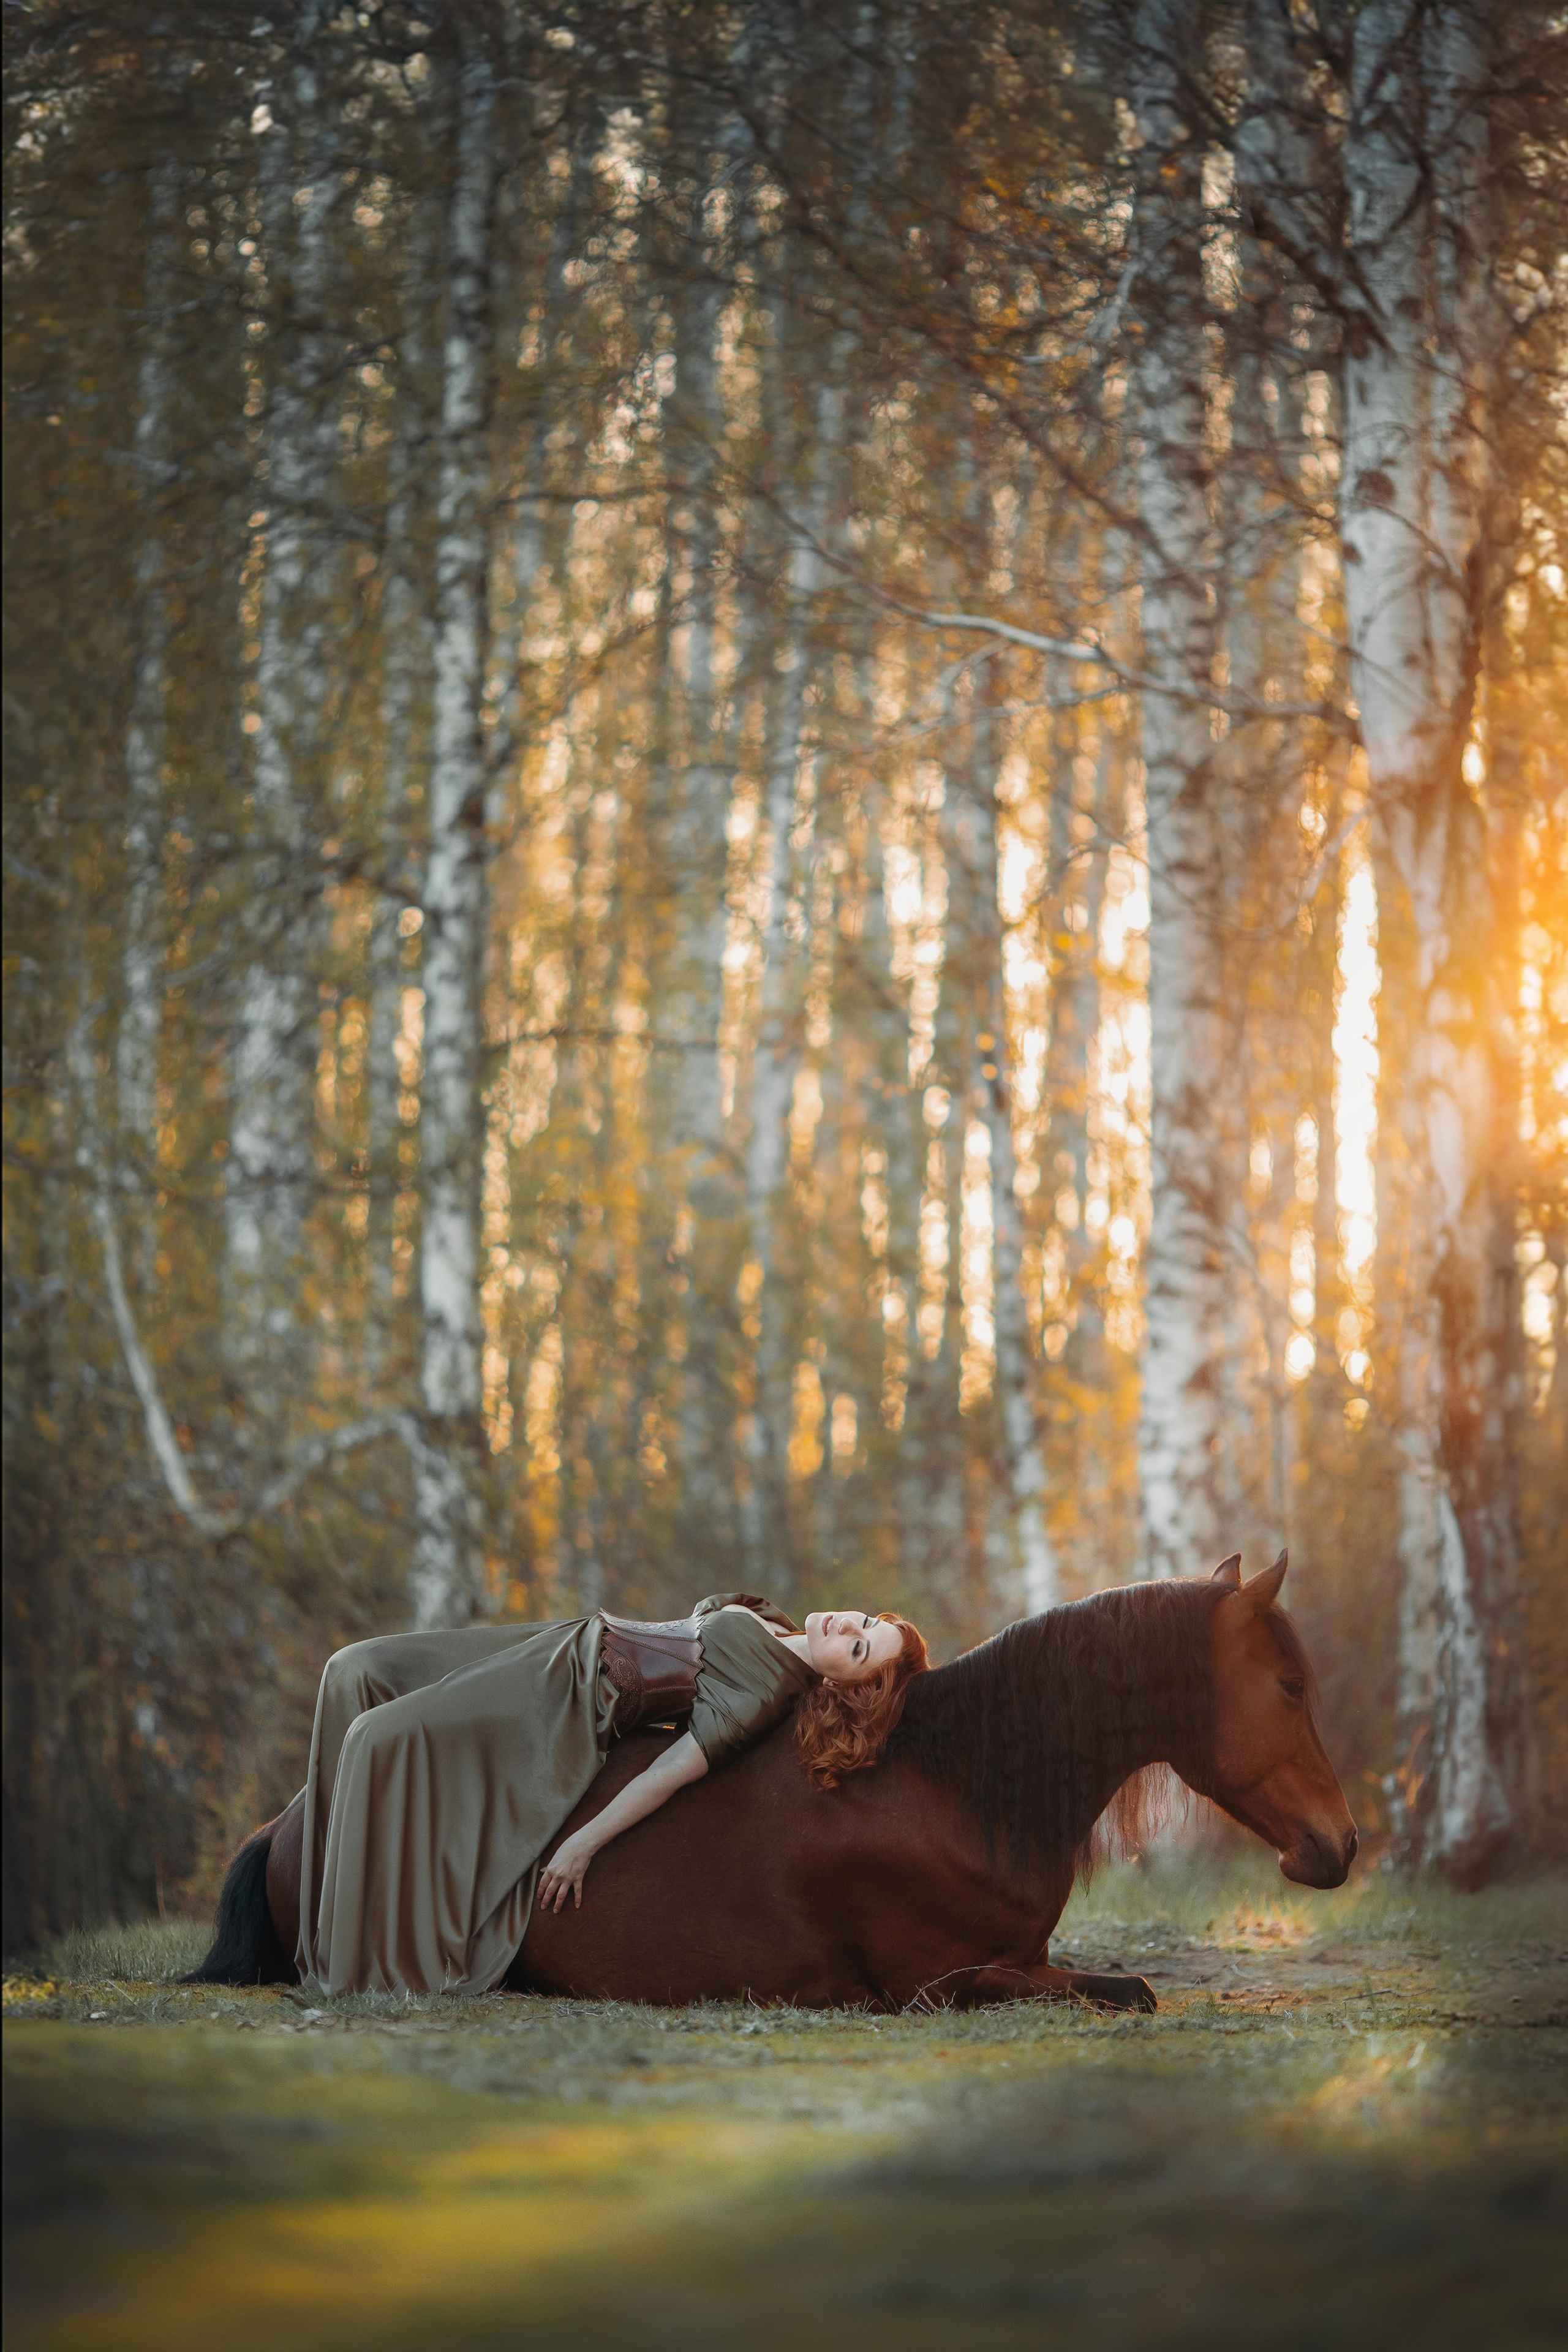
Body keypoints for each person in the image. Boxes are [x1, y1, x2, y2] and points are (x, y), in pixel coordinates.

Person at [296, 1593, 927, 1998]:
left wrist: (583, 1843)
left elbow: (669, 1772)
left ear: (841, 1684)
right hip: (563, 1643)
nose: (848, 1624)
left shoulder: (760, 1695)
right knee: (352, 1669)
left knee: (377, 1738)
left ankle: (355, 1971)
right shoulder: (779, 1627)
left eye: (858, 1646)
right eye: (866, 1622)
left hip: (560, 1705)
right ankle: (312, 1932)